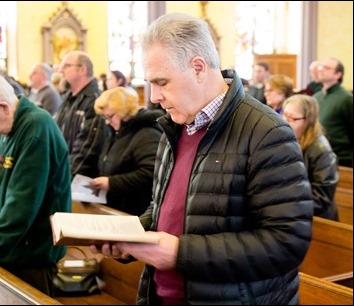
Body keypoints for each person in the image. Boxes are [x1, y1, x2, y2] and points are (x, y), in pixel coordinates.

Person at [90, 13, 313, 305]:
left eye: (162, 82)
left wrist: (179, 254)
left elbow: (286, 243)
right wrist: (132, 237)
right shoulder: (174, 125)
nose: (154, 96)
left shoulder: (266, 131)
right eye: (150, 83)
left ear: (198, 68)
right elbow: (167, 212)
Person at [0, 72, 72, 297]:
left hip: (30, 256)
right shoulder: (3, 128)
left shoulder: (36, 127)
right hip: (7, 250)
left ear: (3, 107)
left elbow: (23, 201)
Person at [91, 86, 163, 216]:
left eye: (110, 116)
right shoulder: (119, 131)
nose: (107, 122)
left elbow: (150, 173)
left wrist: (112, 183)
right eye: (105, 117)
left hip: (134, 212)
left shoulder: (147, 134)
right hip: (116, 207)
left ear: (123, 112)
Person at [282, 94, 339, 220]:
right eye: (284, 114)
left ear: (308, 120)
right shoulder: (286, 140)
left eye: (292, 118)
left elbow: (321, 198)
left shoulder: (322, 151)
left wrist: (286, 209)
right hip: (291, 212)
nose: (284, 121)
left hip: (316, 219)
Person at [55, 50, 109, 178]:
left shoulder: (95, 101)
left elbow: (88, 148)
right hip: (61, 169)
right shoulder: (67, 97)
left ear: (82, 70)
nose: (61, 71)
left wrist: (64, 177)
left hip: (80, 179)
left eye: (66, 66)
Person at [313, 58, 353, 168]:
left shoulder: (347, 98)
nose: (320, 69)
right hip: (318, 156)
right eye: (321, 66)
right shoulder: (316, 97)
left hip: (341, 159)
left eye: (326, 68)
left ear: (338, 74)